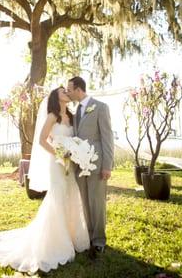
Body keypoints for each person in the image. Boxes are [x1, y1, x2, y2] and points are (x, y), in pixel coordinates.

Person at [0, 87, 90, 274]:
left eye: (67, 90)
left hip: (70, 163)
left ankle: (72, 236)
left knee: (71, 194)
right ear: (55, 97)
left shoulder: (71, 115)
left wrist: (76, 152)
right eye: (62, 91)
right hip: (57, 162)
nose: (66, 92)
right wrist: (61, 154)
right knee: (58, 196)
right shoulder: (52, 116)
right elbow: (43, 140)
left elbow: (74, 139)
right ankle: (55, 242)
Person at [67, 76, 114, 258]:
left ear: (79, 89)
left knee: (97, 203)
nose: (68, 92)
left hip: (96, 163)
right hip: (79, 165)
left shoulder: (101, 107)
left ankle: (99, 241)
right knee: (85, 202)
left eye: (70, 89)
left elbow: (107, 138)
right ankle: (88, 237)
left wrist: (107, 166)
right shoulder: (75, 110)